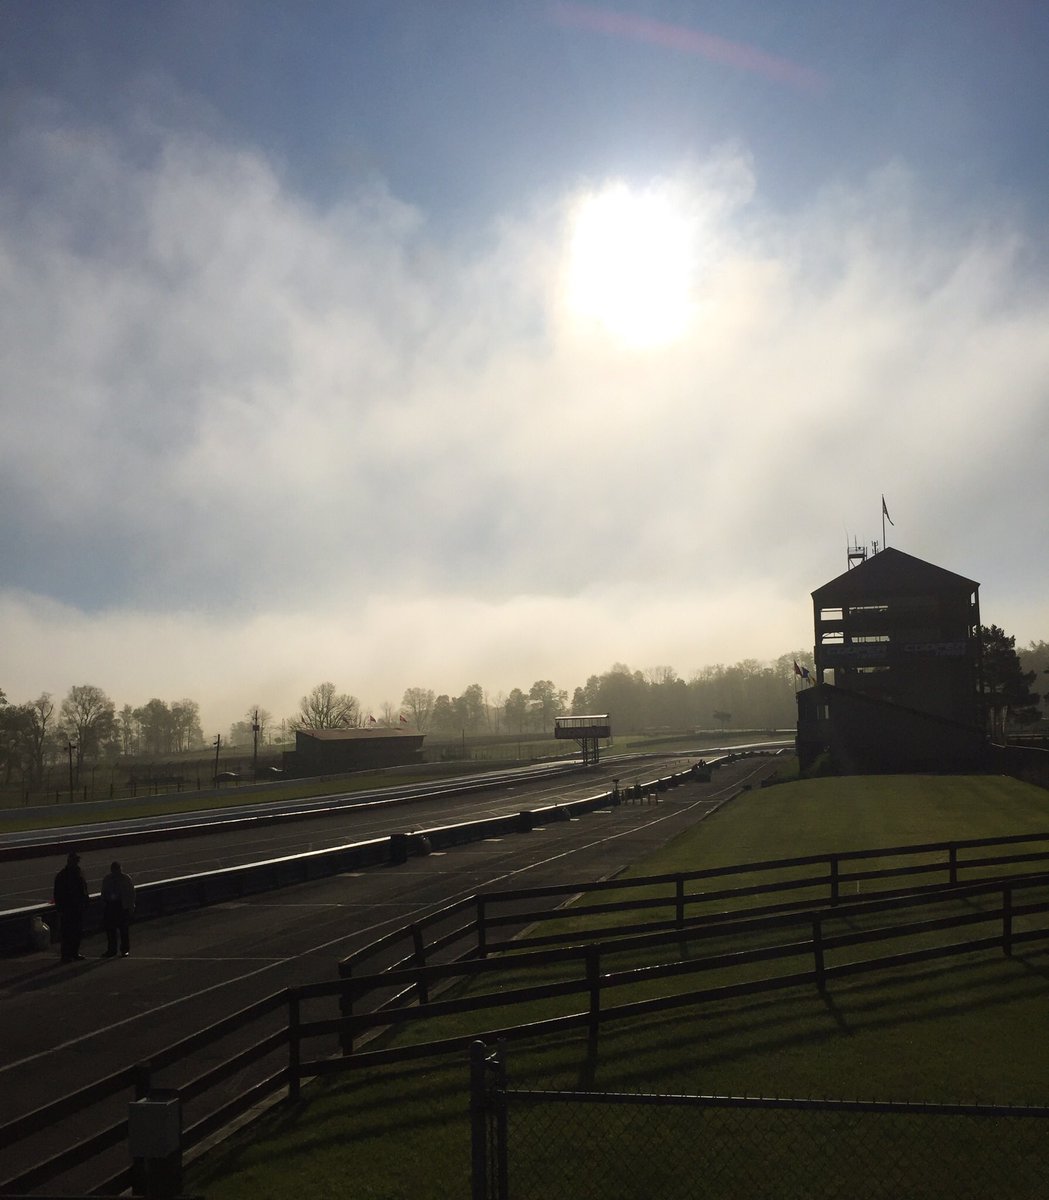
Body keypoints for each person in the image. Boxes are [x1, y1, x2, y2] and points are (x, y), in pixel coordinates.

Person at [53, 851, 89, 962]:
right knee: (67, 932)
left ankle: (74, 953)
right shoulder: (63, 875)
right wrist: (60, 908)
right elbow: (58, 893)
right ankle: (66, 955)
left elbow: (84, 889)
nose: (77, 862)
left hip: (77, 907)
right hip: (68, 908)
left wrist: (86, 901)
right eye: (76, 860)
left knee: (77, 931)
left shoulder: (78, 873)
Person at [100, 861, 135, 957]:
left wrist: (131, 906)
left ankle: (124, 949)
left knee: (123, 929)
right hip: (111, 905)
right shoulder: (107, 879)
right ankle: (112, 949)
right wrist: (104, 903)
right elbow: (103, 892)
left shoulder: (126, 878)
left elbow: (131, 893)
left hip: (121, 905)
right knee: (111, 930)